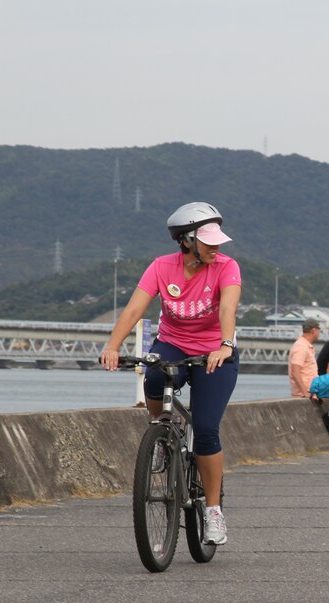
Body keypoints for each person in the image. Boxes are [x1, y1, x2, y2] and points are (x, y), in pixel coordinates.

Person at [101, 201, 240, 546]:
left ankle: (212, 511)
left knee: (206, 429)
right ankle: (160, 431)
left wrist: (224, 344)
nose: (216, 247)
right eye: (208, 241)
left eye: (218, 241)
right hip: (174, 344)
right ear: (186, 240)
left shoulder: (226, 267)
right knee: (153, 376)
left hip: (215, 351)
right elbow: (135, 308)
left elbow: (228, 306)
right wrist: (112, 346)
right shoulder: (162, 267)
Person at [290, 319, 321, 398]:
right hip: (307, 390)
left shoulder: (305, 345)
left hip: (312, 389)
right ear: (314, 330)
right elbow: (295, 372)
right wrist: (305, 392)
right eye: (319, 330)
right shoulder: (301, 346)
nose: (319, 333)